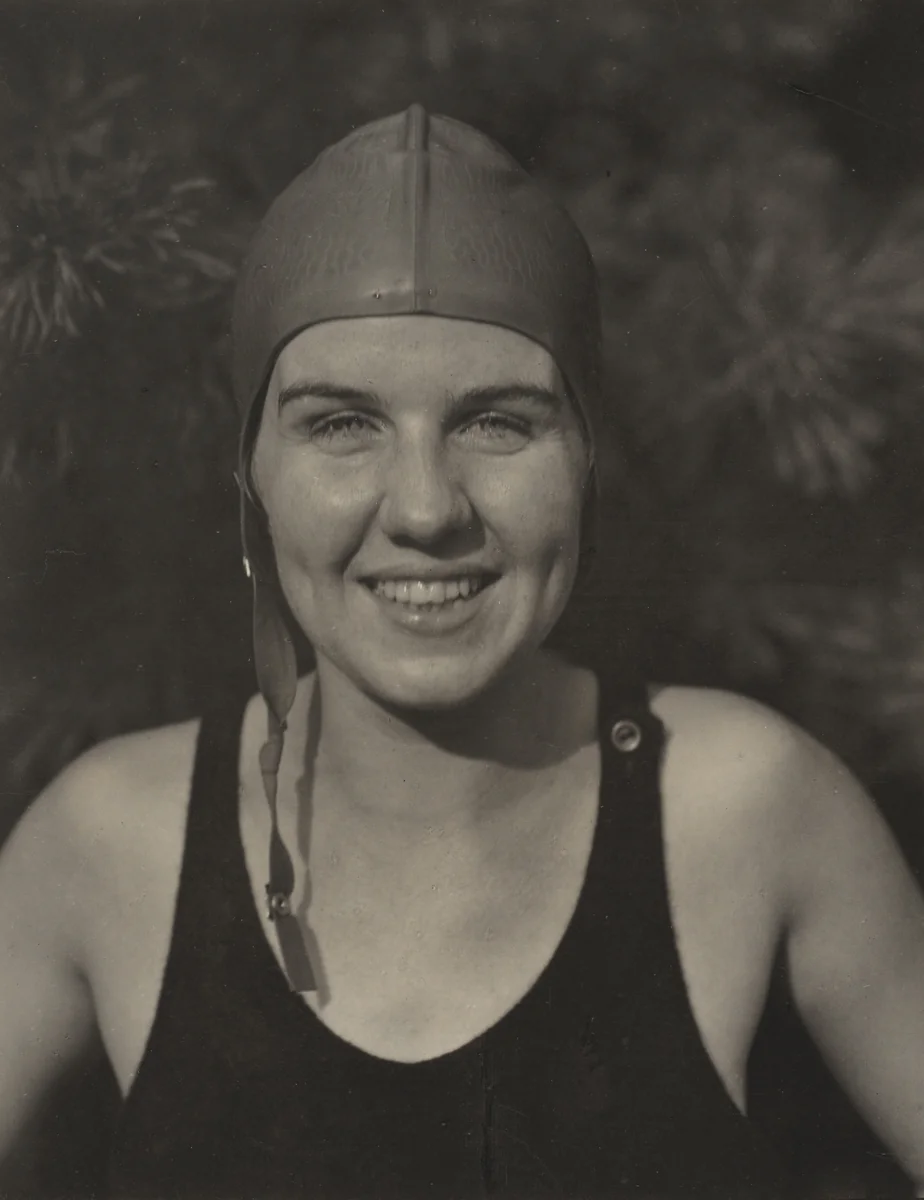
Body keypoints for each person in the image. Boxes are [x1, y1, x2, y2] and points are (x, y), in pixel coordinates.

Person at [2, 104, 924, 1200]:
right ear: (252, 473)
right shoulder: (108, 843)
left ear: (585, 457)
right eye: (342, 424)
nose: (428, 508)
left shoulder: (743, 807)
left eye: (498, 421)